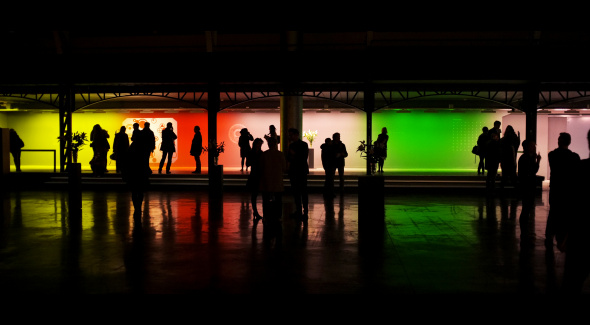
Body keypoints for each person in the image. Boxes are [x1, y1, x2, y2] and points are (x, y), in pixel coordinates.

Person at [562, 129, 590, 294]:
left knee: (572, 283)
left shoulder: (581, 168)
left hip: (582, 235)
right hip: (581, 234)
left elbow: (573, 205)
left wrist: (567, 234)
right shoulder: (578, 164)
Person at [545, 133, 580, 248]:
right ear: (569, 142)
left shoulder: (552, 155)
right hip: (568, 190)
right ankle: (563, 237)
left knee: (553, 212)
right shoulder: (574, 157)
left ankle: (549, 235)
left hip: (556, 188)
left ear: (559, 141)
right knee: (566, 213)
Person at [258, 136, 286, 223]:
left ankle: (266, 216)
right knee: (278, 200)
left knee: (266, 200)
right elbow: (284, 167)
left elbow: (260, 167)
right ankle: (278, 216)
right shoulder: (280, 154)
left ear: (268, 144)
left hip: (266, 180)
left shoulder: (264, 154)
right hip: (277, 180)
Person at [287, 128, 309, 220]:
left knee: (302, 191)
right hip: (296, 170)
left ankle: (304, 211)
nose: (290, 137)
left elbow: (303, 157)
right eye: (290, 135)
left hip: (299, 170)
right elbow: (288, 157)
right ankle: (299, 210)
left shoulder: (303, 145)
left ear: (296, 135)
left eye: (291, 135)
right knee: (296, 192)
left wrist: (294, 154)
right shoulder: (298, 145)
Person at [517, 139, 541, 226]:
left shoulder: (524, 157)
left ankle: (524, 227)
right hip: (528, 185)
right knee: (527, 207)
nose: (534, 147)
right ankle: (524, 226)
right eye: (532, 146)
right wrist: (538, 161)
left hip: (526, 185)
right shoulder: (527, 158)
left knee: (526, 207)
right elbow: (533, 170)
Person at [246, 138, 264, 221]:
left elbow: (248, 163)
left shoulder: (257, 153)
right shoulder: (260, 153)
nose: (259, 145)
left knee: (255, 194)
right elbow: (248, 163)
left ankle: (256, 212)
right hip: (255, 174)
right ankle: (256, 211)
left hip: (257, 174)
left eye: (260, 144)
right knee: (255, 194)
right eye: (258, 144)